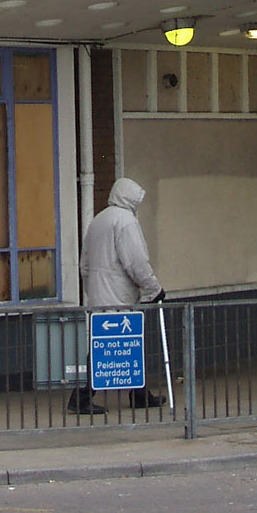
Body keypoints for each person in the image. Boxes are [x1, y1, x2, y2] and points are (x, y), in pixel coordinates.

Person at [72, 176, 165, 411]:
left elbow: (84, 264)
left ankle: (140, 395)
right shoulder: (125, 222)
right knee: (124, 346)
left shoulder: (98, 220)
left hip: (99, 295)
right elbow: (136, 262)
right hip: (119, 296)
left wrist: (91, 289)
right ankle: (82, 398)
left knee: (108, 347)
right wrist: (153, 288)